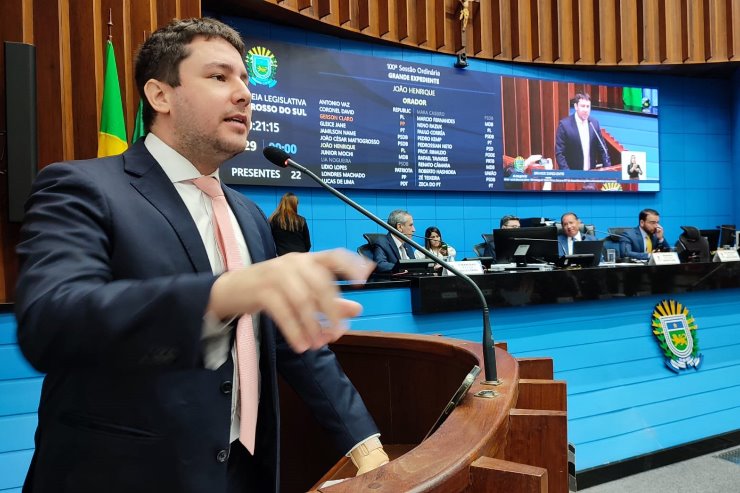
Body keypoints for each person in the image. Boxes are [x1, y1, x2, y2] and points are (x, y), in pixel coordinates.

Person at [15, 18, 387, 493]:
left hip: (242, 471)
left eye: (245, 80)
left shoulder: (249, 214)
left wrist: (364, 443)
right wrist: (221, 295)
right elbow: (52, 322)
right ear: (160, 95)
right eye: (219, 77)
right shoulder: (81, 187)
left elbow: (283, 339)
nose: (245, 94)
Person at [555, 93, 611, 170]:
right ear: (576, 106)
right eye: (583, 106)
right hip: (573, 176)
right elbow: (560, 154)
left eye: (588, 107)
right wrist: (568, 175)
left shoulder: (594, 123)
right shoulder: (564, 125)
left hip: (591, 174)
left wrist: (608, 169)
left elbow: (603, 149)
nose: (586, 110)